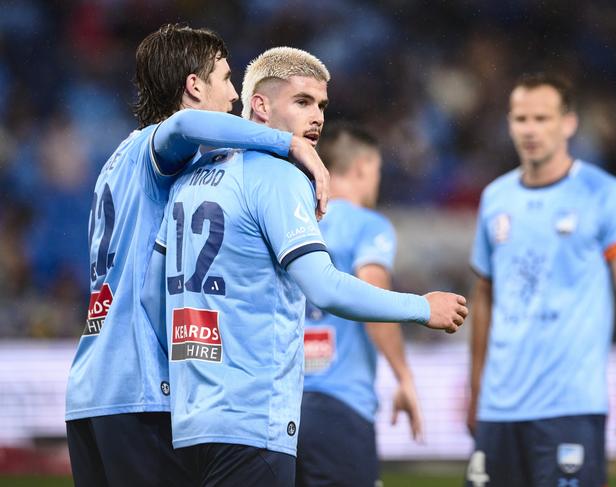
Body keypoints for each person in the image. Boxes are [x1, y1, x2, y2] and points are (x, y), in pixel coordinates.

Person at [146, 46, 468, 487]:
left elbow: (151, 293)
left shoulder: (194, 177)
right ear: (259, 105)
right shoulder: (278, 177)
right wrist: (421, 307)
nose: (316, 116)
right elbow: (325, 288)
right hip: (253, 419)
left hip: (188, 424)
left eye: (321, 105)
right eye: (302, 102)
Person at [65, 24, 330, 487]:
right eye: (226, 79)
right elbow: (187, 126)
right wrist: (288, 143)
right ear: (193, 85)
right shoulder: (156, 149)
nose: (233, 97)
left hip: (90, 390)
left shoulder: (115, 162)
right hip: (141, 389)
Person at [466, 72, 616, 487]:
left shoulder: (605, 195)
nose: (530, 130)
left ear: (569, 123)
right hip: (499, 406)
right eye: (521, 119)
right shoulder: (496, 198)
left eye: (542, 119)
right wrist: (476, 388)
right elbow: (485, 297)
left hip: (570, 405)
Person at [295, 123, 422, 487]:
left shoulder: (294, 219)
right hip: (341, 405)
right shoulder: (368, 225)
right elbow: (373, 294)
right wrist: (404, 376)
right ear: (364, 166)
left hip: (282, 407)